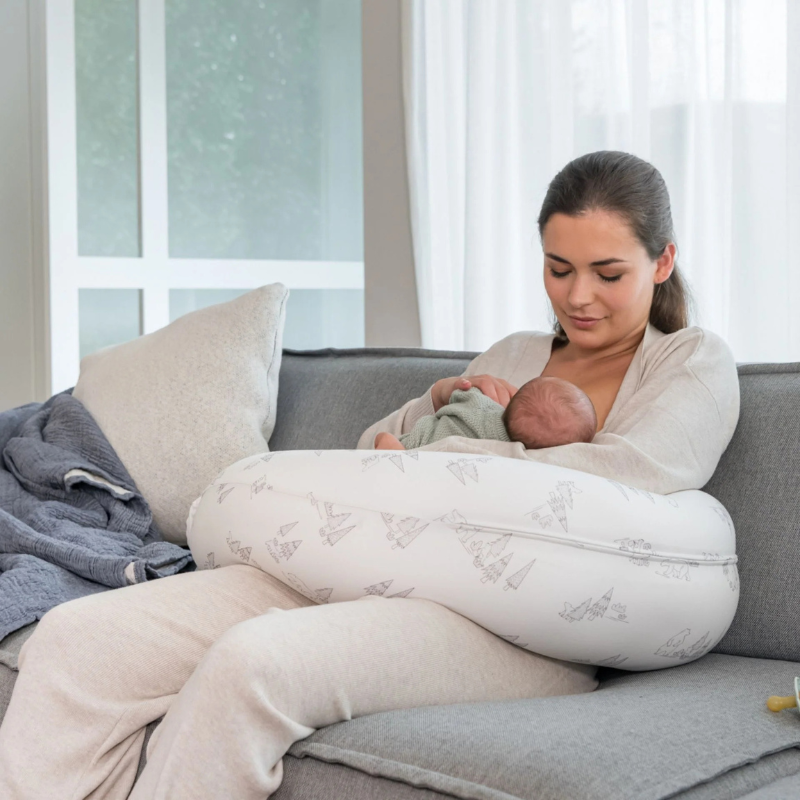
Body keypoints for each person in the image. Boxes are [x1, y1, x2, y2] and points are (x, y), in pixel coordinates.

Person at [0, 151, 741, 799]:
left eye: (608, 273)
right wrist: (436, 406)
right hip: (386, 565)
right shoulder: (512, 357)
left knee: (253, 664)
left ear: (663, 262)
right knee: (77, 640)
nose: (578, 297)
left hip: (518, 634)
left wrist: (443, 464)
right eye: (559, 269)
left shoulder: (690, 362)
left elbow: (634, 474)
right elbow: (368, 462)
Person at [374, 376, 597, 451]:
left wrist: (462, 393)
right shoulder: (510, 449)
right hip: (420, 462)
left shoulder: (480, 403)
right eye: (560, 271)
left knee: (390, 443)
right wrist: (439, 391)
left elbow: (463, 395)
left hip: (415, 444)